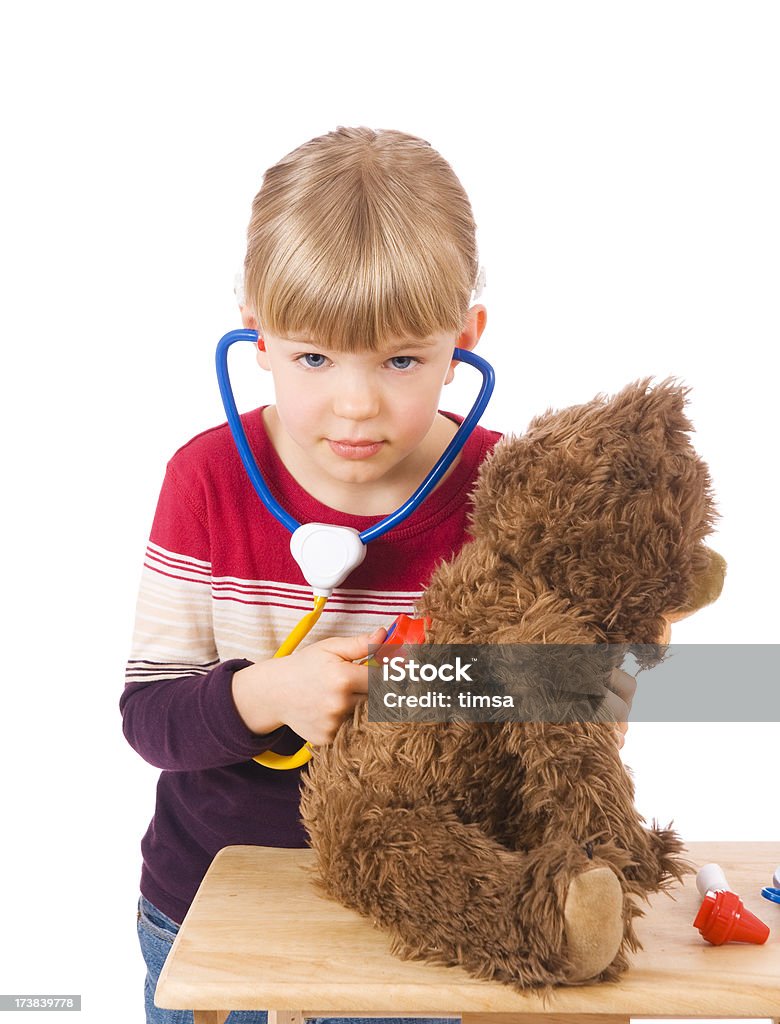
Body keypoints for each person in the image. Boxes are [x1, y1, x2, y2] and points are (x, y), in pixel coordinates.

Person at [122, 126, 505, 1024]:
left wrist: (414, 687)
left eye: (403, 359)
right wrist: (269, 693)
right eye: (314, 357)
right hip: (215, 910)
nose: (357, 402)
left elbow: (571, 697)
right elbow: (150, 716)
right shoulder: (207, 479)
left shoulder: (507, 492)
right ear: (257, 334)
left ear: (465, 338)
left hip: (421, 921)